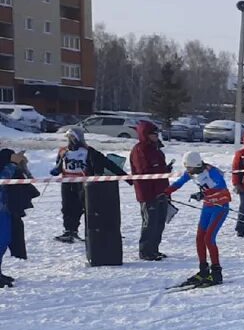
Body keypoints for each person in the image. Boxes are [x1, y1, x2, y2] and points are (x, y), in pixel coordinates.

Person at [166, 151, 232, 287]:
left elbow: (221, 188)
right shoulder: (191, 172)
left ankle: (216, 273)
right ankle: (203, 270)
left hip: (220, 207)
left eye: (189, 168)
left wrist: (202, 194)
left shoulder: (212, 171)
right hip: (207, 207)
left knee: (209, 238)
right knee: (199, 238)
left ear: (196, 165)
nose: (188, 171)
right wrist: (165, 193)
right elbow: (179, 183)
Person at [52, 127, 126, 243]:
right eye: (68, 138)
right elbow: (59, 166)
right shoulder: (63, 151)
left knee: (87, 208)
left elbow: (107, 163)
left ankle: (92, 232)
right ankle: (70, 231)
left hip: (84, 184)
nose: (70, 140)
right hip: (67, 184)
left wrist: (127, 178)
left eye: (72, 137)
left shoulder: (88, 151)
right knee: (67, 208)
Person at [129, 120, 172, 261]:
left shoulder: (156, 149)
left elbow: (158, 169)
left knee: (159, 222)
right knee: (150, 222)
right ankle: (145, 251)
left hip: (161, 191)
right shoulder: (140, 150)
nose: (156, 136)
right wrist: (159, 174)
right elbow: (144, 172)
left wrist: (165, 171)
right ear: (146, 134)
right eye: (154, 134)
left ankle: (154, 249)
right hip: (148, 193)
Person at [0, 148, 38, 286]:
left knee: (5, 240)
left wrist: (21, 165)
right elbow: (3, 178)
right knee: (1, 240)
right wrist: (12, 164)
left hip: (5, 208)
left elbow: (28, 179)